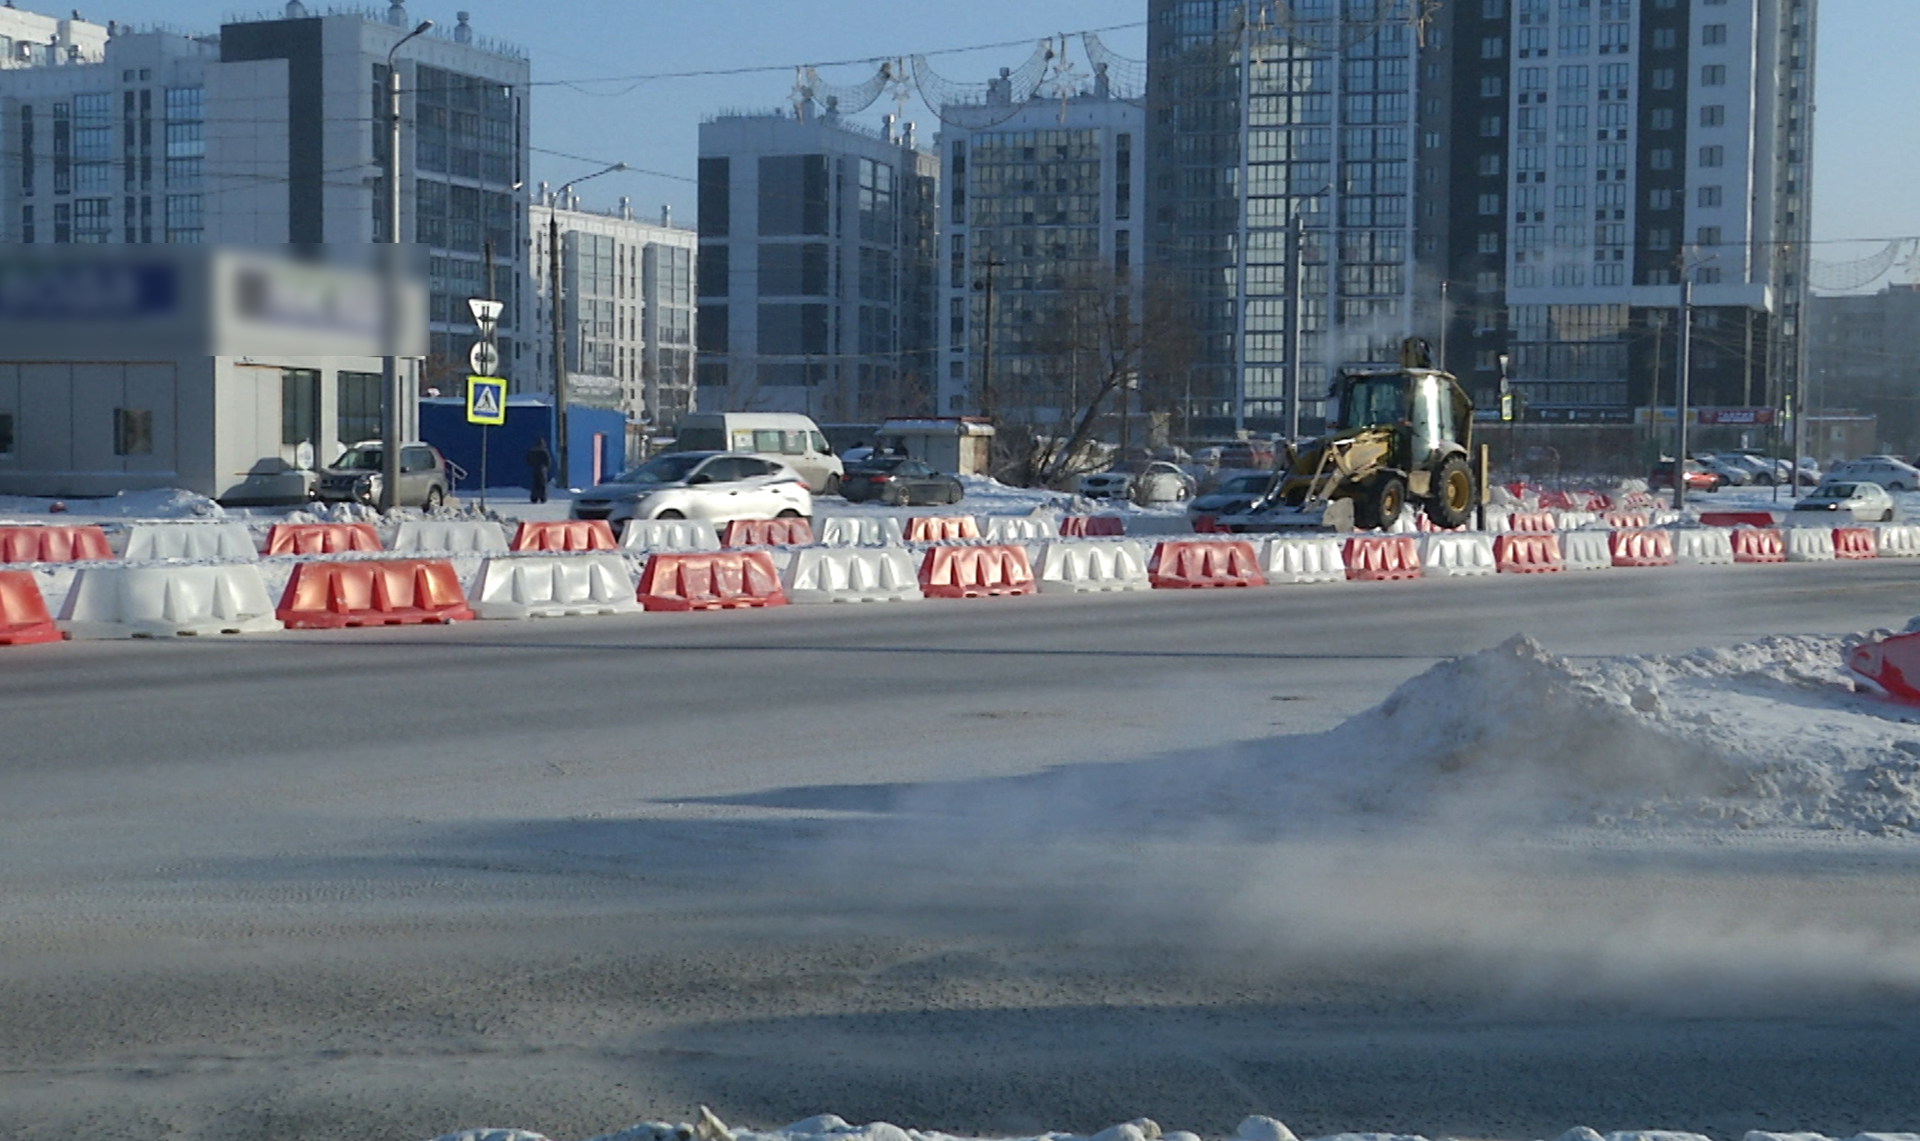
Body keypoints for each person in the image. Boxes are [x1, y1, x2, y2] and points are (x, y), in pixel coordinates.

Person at [526, 437, 552, 504]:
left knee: (535, 484)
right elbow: (548, 461)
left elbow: (528, 460)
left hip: (534, 469)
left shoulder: (532, 451)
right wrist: (546, 467)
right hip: (542, 469)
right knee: (542, 484)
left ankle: (534, 498)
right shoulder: (544, 451)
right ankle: (542, 498)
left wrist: (533, 464)